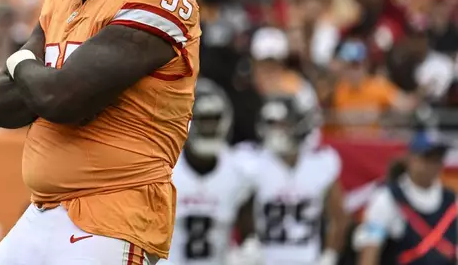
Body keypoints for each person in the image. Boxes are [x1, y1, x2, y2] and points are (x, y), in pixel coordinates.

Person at [0, 0, 201, 264]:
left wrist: (20, 62)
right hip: (45, 211)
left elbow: (60, 99)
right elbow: (0, 108)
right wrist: (39, 75)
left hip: (114, 212)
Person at [232, 94, 349, 265]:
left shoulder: (320, 162)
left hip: (308, 259)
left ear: (299, 124)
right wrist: (247, 241)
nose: (275, 131)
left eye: (281, 124)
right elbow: (231, 208)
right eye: (271, 124)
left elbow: (338, 217)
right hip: (264, 259)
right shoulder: (252, 161)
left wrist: (329, 255)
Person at [169, 77, 250, 265]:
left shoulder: (239, 171)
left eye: (215, 119)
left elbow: (249, 234)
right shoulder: (166, 170)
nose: (209, 127)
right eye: (203, 119)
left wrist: (246, 250)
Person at [354, 131, 457, 265]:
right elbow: (370, 251)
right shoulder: (386, 199)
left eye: (437, 159)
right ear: (411, 159)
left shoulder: (452, 201)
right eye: (427, 158)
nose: (433, 165)